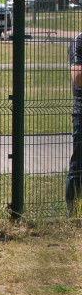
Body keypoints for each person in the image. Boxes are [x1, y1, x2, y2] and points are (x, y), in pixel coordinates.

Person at [67, 30, 82, 213]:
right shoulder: (79, 41)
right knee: (78, 166)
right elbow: (78, 78)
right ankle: (72, 215)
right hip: (81, 113)